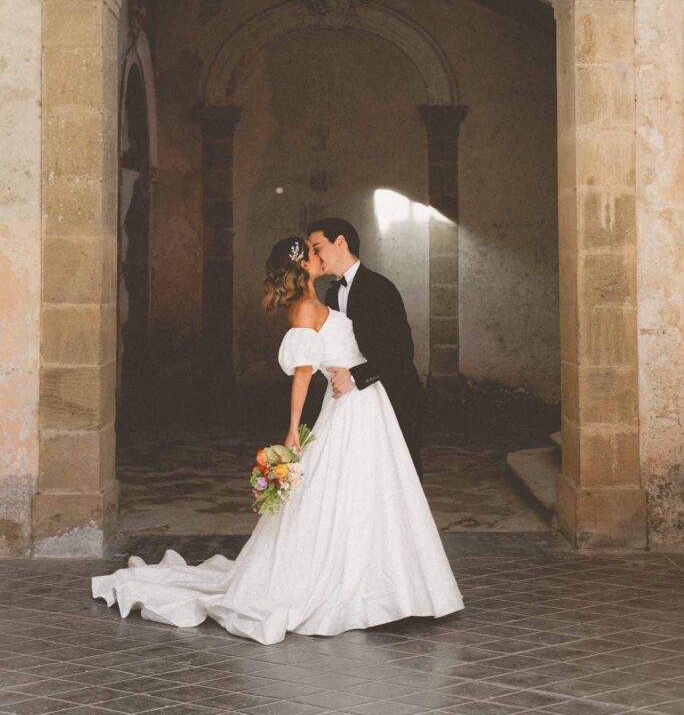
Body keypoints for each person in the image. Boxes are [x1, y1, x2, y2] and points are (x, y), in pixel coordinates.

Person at [91, 236, 463, 645]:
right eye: (313, 252)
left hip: (366, 405)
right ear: (303, 265)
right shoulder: (305, 308)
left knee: (373, 494)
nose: (320, 256)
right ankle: (359, 589)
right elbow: (304, 373)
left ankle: (386, 587)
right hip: (350, 409)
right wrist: (291, 429)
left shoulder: (323, 302)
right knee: (346, 494)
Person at [307, 217, 425, 479]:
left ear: (340, 242)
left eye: (317, 248)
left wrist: (354, 376)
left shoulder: (381, 288)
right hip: (353, 404)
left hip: (395, 397)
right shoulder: (330, 295)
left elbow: (402, 352)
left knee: (398, 478)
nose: (315, 256)